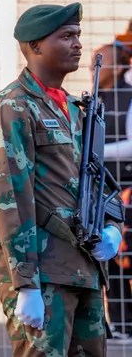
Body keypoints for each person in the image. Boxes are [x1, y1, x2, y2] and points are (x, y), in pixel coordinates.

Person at [0, 2, 123, 356]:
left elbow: (99, 181)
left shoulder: (76, 110)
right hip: (43, 272)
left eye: (78, 35)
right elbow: (11, 197)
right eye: (66, 36)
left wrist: (112, 228)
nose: (78, 44)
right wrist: (25, 282)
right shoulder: (12, 106)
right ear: (35, 46)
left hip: (84, 267)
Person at [98, 25, 132, 337]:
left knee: (125, 255)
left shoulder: (128, 96)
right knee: (108, 255)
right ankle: (119, 323)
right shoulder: (97, 98)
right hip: (103, 189)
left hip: (126, 188)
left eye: (102, 61)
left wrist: (93, 152)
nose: (95, 67)